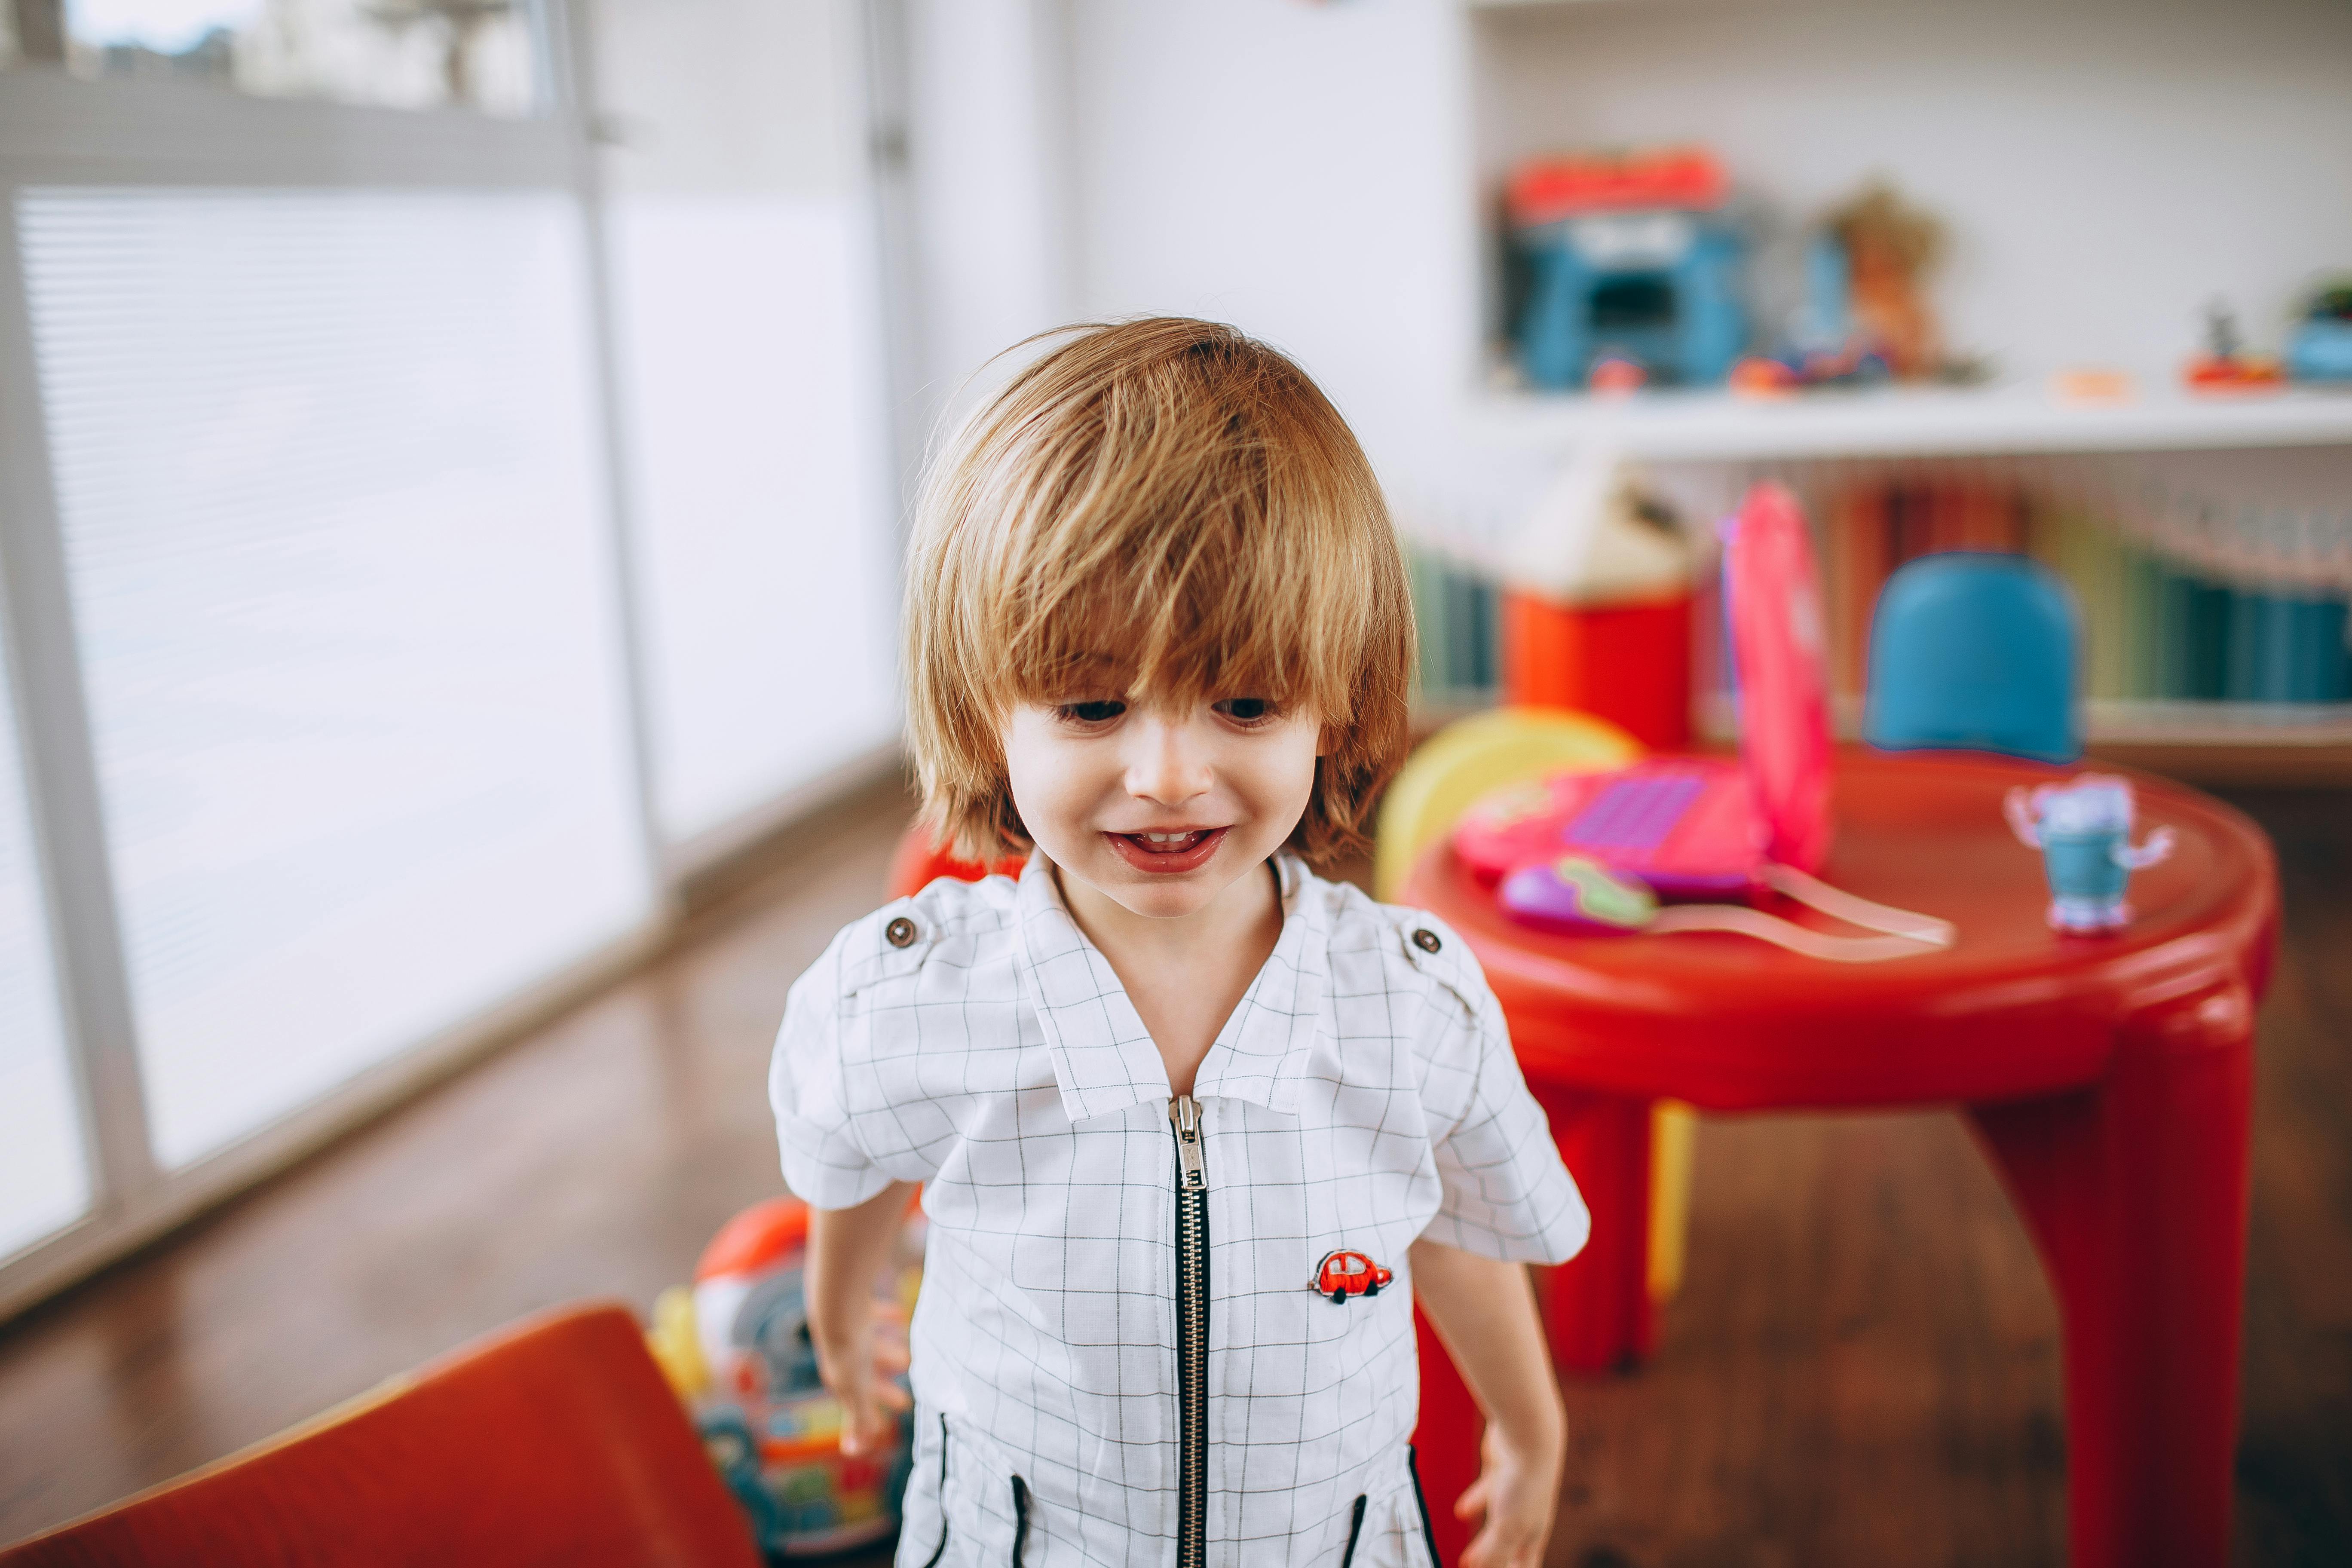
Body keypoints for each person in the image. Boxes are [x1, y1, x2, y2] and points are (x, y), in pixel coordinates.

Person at [770, 318, 1589, 1568]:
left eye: (1245, 703)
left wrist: (1529, 1428)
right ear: (989, 713)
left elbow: (1454, 1228)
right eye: (1093, 706)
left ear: (1334, 703)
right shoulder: (910, 995)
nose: (1165, 774)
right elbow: (860, 1155)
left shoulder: (1409, 1008)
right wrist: (844, 1313)